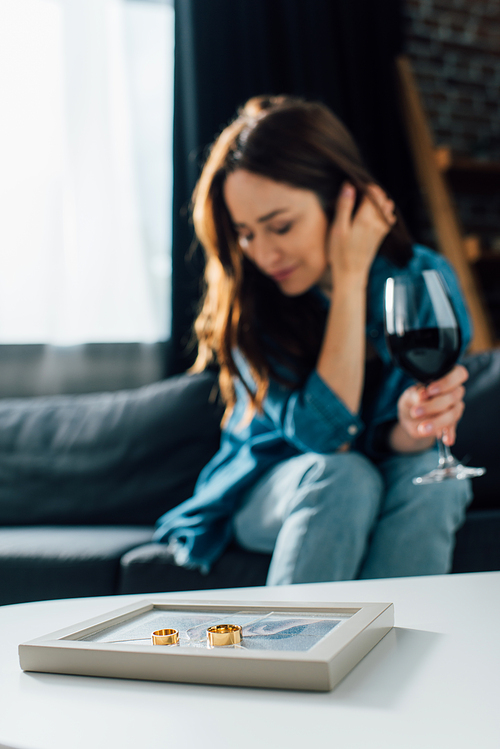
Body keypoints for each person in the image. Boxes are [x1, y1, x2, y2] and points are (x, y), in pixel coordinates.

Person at [154, 95, 472, 584]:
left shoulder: (424, 278)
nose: (263, 252)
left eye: (280, 226)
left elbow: (382, 436)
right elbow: (327, 439)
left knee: (434, 483)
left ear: (343, 201)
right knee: (342, 476)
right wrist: (349, 277)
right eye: (245, 234)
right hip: (269, 487)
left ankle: (401, 656)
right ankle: (286, 654)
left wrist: (412, 428)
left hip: (376, 468)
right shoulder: (250, 306)